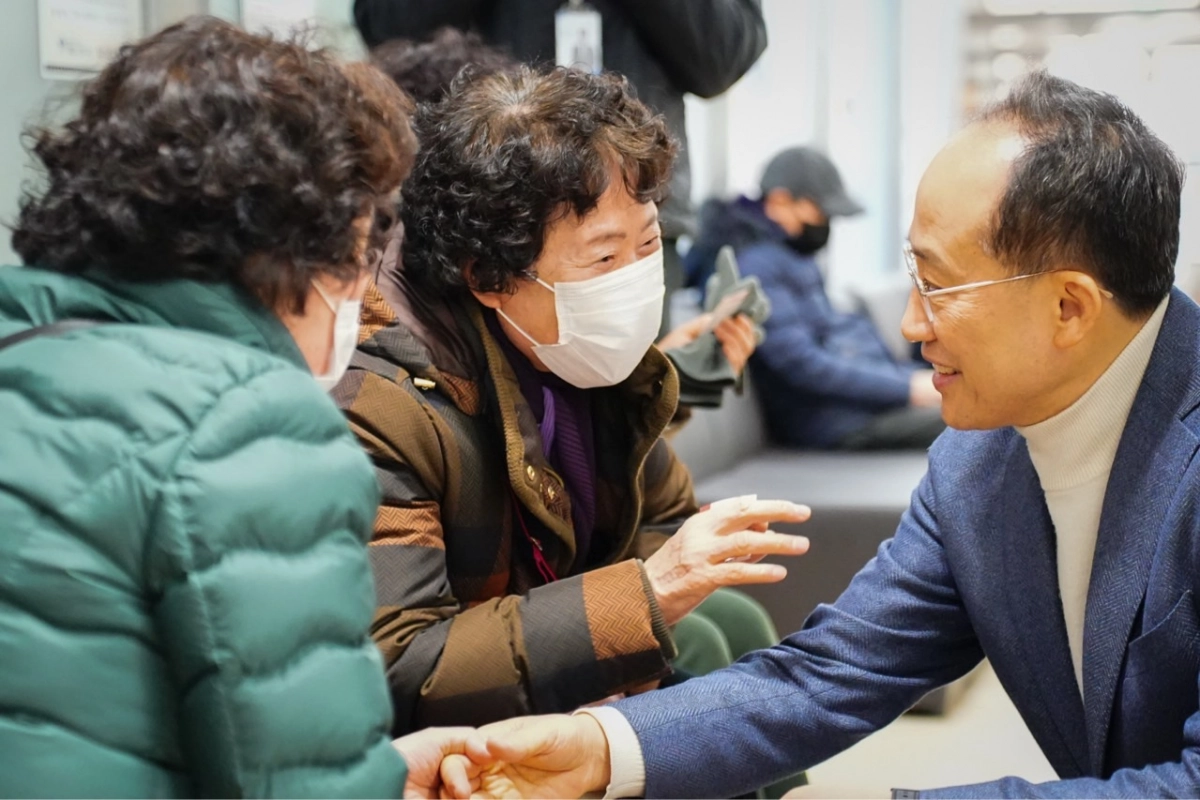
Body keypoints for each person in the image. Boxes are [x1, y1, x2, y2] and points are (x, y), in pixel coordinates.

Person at [445, 70, 1200, 799]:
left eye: (937, 286)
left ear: (1070, 307)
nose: (911, 323)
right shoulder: (977, 466)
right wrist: (601, 747)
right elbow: (830, 674)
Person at [0, 16, 480, 798]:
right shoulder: (248, 428)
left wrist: (382, 774)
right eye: (359, 254)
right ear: (293, 253)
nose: (364, 298)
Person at [333, 65, 809, 737]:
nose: (636, 280)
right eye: (604, 258)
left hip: (544, 653)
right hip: (446, 730)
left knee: (736, 634)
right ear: (489, 275)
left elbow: (662, 515)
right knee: (703, 662)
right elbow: (402, 665)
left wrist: (635, 624)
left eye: (649, 242)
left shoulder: (579, 351)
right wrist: (636, 607)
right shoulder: (380, 400)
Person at [351, 0, 769, 328]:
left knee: (628, 396)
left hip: (638, 216)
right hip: (487, 218)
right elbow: (389, 27)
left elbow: (724, 55)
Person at [687, 146, 944, 450]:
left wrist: (914, 380)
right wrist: (907, 387)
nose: (825, 223)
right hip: (832, 421)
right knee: (973, 425)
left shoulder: (792, 256)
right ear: (780, 201)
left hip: (859, 407)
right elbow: (802, 363)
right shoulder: (755, 267)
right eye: (819, 211)